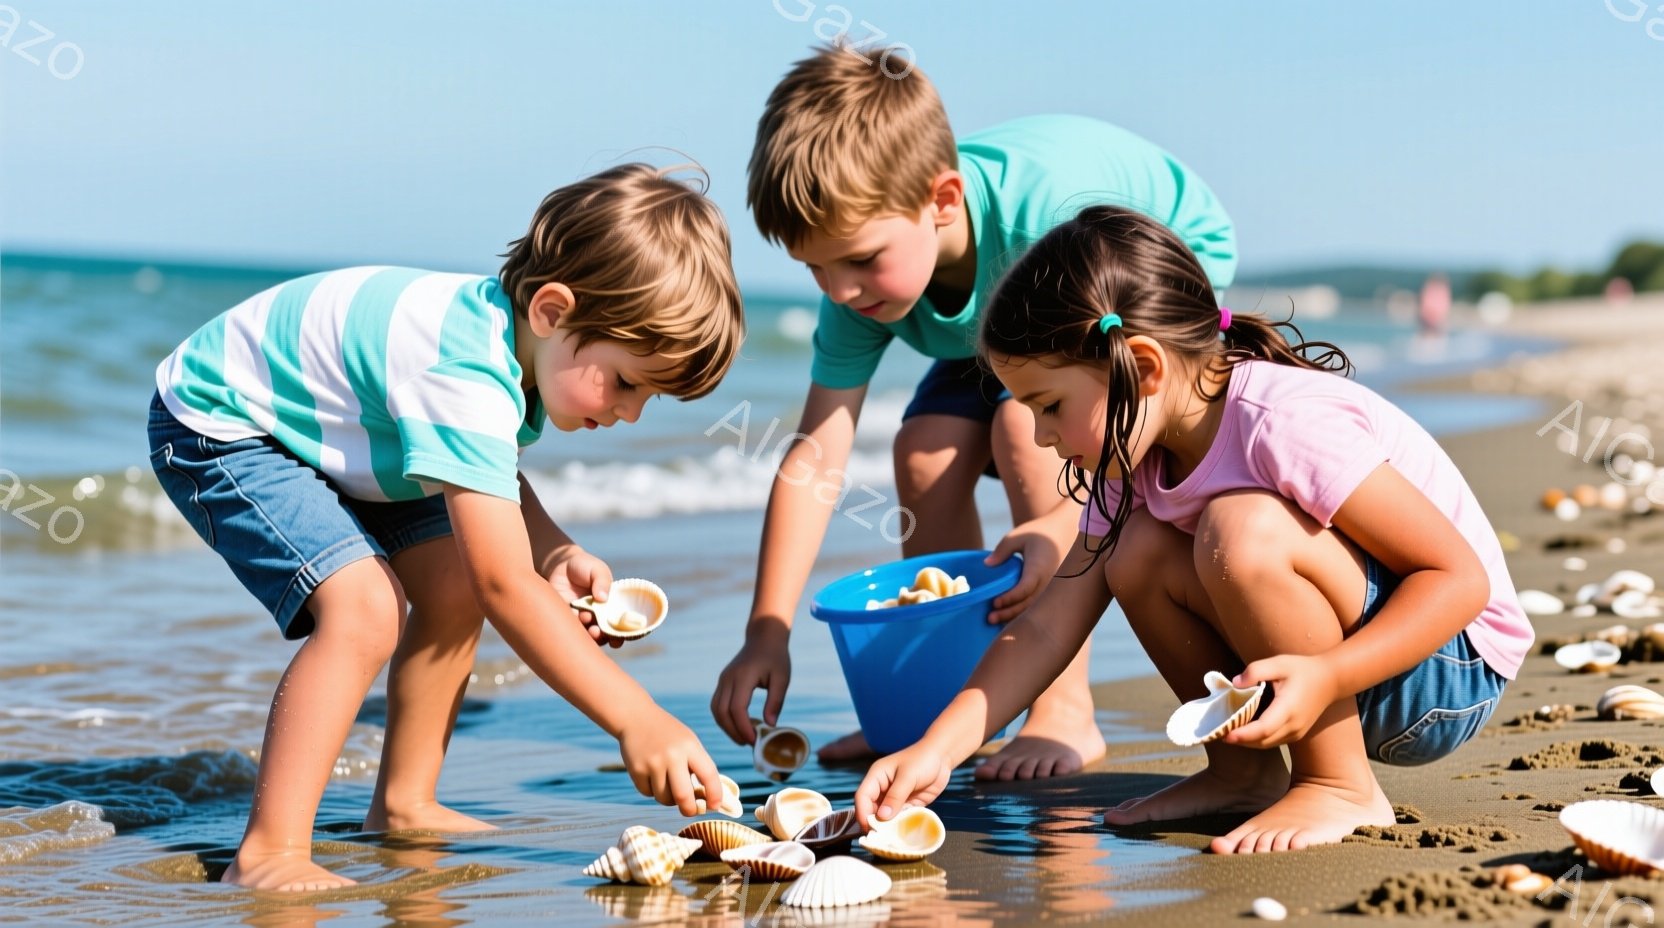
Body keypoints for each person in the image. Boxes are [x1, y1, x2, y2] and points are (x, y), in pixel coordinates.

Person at [854, 205, 1532, 853]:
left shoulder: (1280, 421)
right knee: (1137, 550)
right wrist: (935, 748)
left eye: (1051, 405)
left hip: (1444, 671)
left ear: (1142, 368)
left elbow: (1457, 578)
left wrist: (1328, 674)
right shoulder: (1130, 456)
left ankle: (1338, 783)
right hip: (1324, 675)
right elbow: (1044, 625)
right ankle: (1243, 773)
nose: (1040, 435)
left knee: (1241, 530)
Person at [148, 163, 745, 890]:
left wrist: (553, 548)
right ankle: (268, 851)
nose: (629, 412)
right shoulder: (462, 372)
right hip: (225, 423)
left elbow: (487, 475)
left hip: (358, 438)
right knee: (365, 610)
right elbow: (506, 585)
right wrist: (636, 717)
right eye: (625, 381)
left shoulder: (513, 352)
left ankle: (403, 802)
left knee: (453, 584)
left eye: (649, 396)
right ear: (553, 311)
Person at [712, 45, 1236, 781]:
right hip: (998, 311)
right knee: (925, 450)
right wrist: (766, 632)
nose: (838, 291)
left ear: (944, 202)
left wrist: (1060, 526)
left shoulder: (1043, 221)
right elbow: (816, 455)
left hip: (1133, 273)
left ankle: (1063, 710)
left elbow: (1092, 385)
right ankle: (944, 712)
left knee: (1024, 429)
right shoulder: (862, 286)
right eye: (814, 268)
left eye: (860, 260)